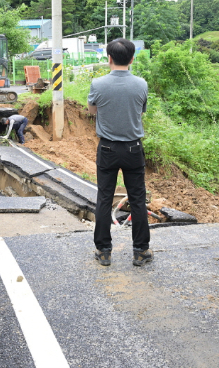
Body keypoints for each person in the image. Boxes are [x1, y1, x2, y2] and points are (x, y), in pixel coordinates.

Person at [87, 38, 150, 267]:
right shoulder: (141, 84)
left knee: (104, 199)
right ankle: (141, 251)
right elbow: (140, 112)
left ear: (109, 58)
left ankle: (104, 251)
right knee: (138, 200)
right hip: (133, 148)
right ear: (132, 59)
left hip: (107, 148)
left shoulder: (98, 84)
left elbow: (92, 110)